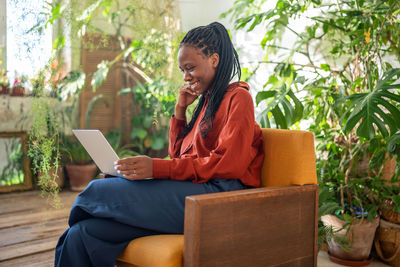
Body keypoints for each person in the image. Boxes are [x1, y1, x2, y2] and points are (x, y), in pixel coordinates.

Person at [55, 21, 264, 267]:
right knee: (80, 235)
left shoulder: (238, 98)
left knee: (96, 192)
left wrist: (156, 169)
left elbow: (231, 165)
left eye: (190, 68)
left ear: (214, 60)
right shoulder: (206, 102)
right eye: (182, 70)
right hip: (192, 191)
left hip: (218, 199)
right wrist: (180, 110)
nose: (186, 77)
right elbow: (177, 155)